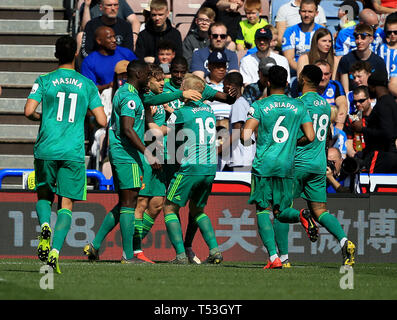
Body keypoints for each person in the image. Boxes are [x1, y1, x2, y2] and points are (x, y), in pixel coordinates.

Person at [24, 35, 107, 273]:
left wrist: (45, 118)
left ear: (55, 54)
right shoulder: (87, 84)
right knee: (66, 204)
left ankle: (45, 227)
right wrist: (81, 114)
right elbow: (101, 119)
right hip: (72, 150)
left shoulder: (44, 80)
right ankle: (55, 252)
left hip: (46, 147)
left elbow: (28, 111)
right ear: (76, 55)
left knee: (43, 195)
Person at [276, 64, 356, 267]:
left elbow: (297, 135)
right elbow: (328, 136)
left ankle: (283, 259)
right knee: (321, 211)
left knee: (280, 209)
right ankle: (345, 241)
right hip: (318, 164)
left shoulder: (298, 104)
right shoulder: (325, 105)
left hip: (297, 163)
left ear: (302, 78)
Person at [241, 65, 315, 269]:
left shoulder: (259, 106)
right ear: (286, 83)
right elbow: (310, 136)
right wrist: (291, 143)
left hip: (264, 165)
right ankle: (301, 215)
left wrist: (249, 141)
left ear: (267, 82)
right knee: (281, 210)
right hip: (287, 165)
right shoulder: (299, 106)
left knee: (263, 210)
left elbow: (245, 135)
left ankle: (273, 256)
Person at [164, 74, 223, 264]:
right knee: (198, 210)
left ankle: (180, 255)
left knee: (169, 209)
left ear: (187, 92)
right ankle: (215, 251)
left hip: (190, 166)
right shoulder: (209, 110)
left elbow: (171, 137)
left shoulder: (181, 112)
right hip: (210, 166)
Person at [350, 70, 397, 173]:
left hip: (380, 156)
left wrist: (362, 129)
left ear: (373, 87)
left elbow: (387, 133)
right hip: (388, 155)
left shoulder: (383, 105)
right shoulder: (391, 102)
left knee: (367, 188)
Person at [81, 26, 137, 93]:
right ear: (99, 41)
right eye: (109, 38)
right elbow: (89, 88)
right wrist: (109, 86)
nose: (114, 40)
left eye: (114, 37)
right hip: (103, 98)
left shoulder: (126, 53)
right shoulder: (89, 61)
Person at [337, 23, 388, 94]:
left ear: (371, 39)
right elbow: (345, 90)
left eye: (363, 37)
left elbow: (382, 88)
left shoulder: (378, 62)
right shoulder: (346, 60)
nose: (359, 41)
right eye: (357, 38)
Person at [281, 0, 323, 84]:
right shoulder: (290, 32)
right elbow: (289, 59)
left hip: (319, 73)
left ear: (316, 13)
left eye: (310, 12)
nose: (306, 15)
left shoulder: (322, 31)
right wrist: (305, 74)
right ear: (299, 12)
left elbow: (326, 57)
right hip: (296, 73)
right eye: (304, 11)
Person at [221, 72, 255, 172]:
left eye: (224, 87)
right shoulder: (243, 102)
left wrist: (217, 150)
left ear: (230, 87)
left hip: (241, 159)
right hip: (245, 157)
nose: (223, 90)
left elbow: (237, 133)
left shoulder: (238, 104)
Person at [134, 0, 183, 64]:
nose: (157, 18)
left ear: (167, 13)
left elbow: (178, 59)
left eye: (160, 15)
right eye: (154, 15)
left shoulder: (175, 34)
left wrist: (154, 60)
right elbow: (139, 60)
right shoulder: (143, 35)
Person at [315, 59, 348, 130]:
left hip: (334, 125)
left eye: (326, 74)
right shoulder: (308, 86)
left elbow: (343, 105)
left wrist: (339, 125)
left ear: (330, 74)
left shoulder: (335, 85)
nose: (323, 78)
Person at [344, 85, 373, 158]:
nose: (357, 104)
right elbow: (348, 143)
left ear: (369, 99)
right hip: (358, 157)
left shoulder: (378, 116)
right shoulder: (352, 118)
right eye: (355, 101)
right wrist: (355, 157)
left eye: (361, 101)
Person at [377, 12, 397, 97]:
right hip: (382, 89)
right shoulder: (380, 48)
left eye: (396, 32)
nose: (392, 34)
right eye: (389, 32)